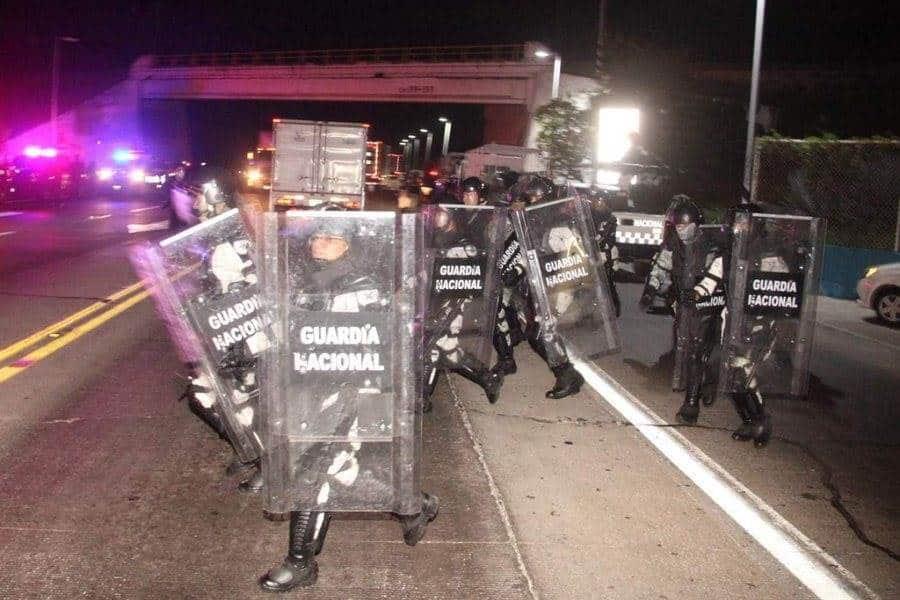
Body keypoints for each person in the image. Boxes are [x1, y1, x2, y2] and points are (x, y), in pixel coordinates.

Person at [260, 216, 438, 592]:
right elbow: (290, 335)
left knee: (314, 471)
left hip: (357, 394)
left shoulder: (362, 288)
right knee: (345, 471)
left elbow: (389, 346)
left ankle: (300, 562)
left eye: (330, 237)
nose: (318, 242)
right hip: (317, 392)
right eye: (316, 236)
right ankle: (414, 504)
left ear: (348, 246)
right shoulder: (306, 282)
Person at [640, 197, 726, 425]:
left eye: (685, 226)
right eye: (678, 226)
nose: (681, 231)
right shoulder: (673, 243)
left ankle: (691, 404)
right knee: (686, 349)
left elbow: (717, 273)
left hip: (707, 306)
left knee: (699, 351)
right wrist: (651, 288)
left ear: (696, 224)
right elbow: (662, 264)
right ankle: (704, 383)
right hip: (684, 305)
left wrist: (700, 291)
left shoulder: (710, 244)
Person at [423, 181, 505, 408]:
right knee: (447, 350)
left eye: (440, 214)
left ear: (450, 216)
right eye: (434, 214)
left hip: (459, 304)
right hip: (437, 302)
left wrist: (454, 307)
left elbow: (470, 279)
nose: (435, 218)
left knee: (435, 347)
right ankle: (488, 379)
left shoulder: (463, 245)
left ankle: (422, 398)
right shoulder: (436, 239)